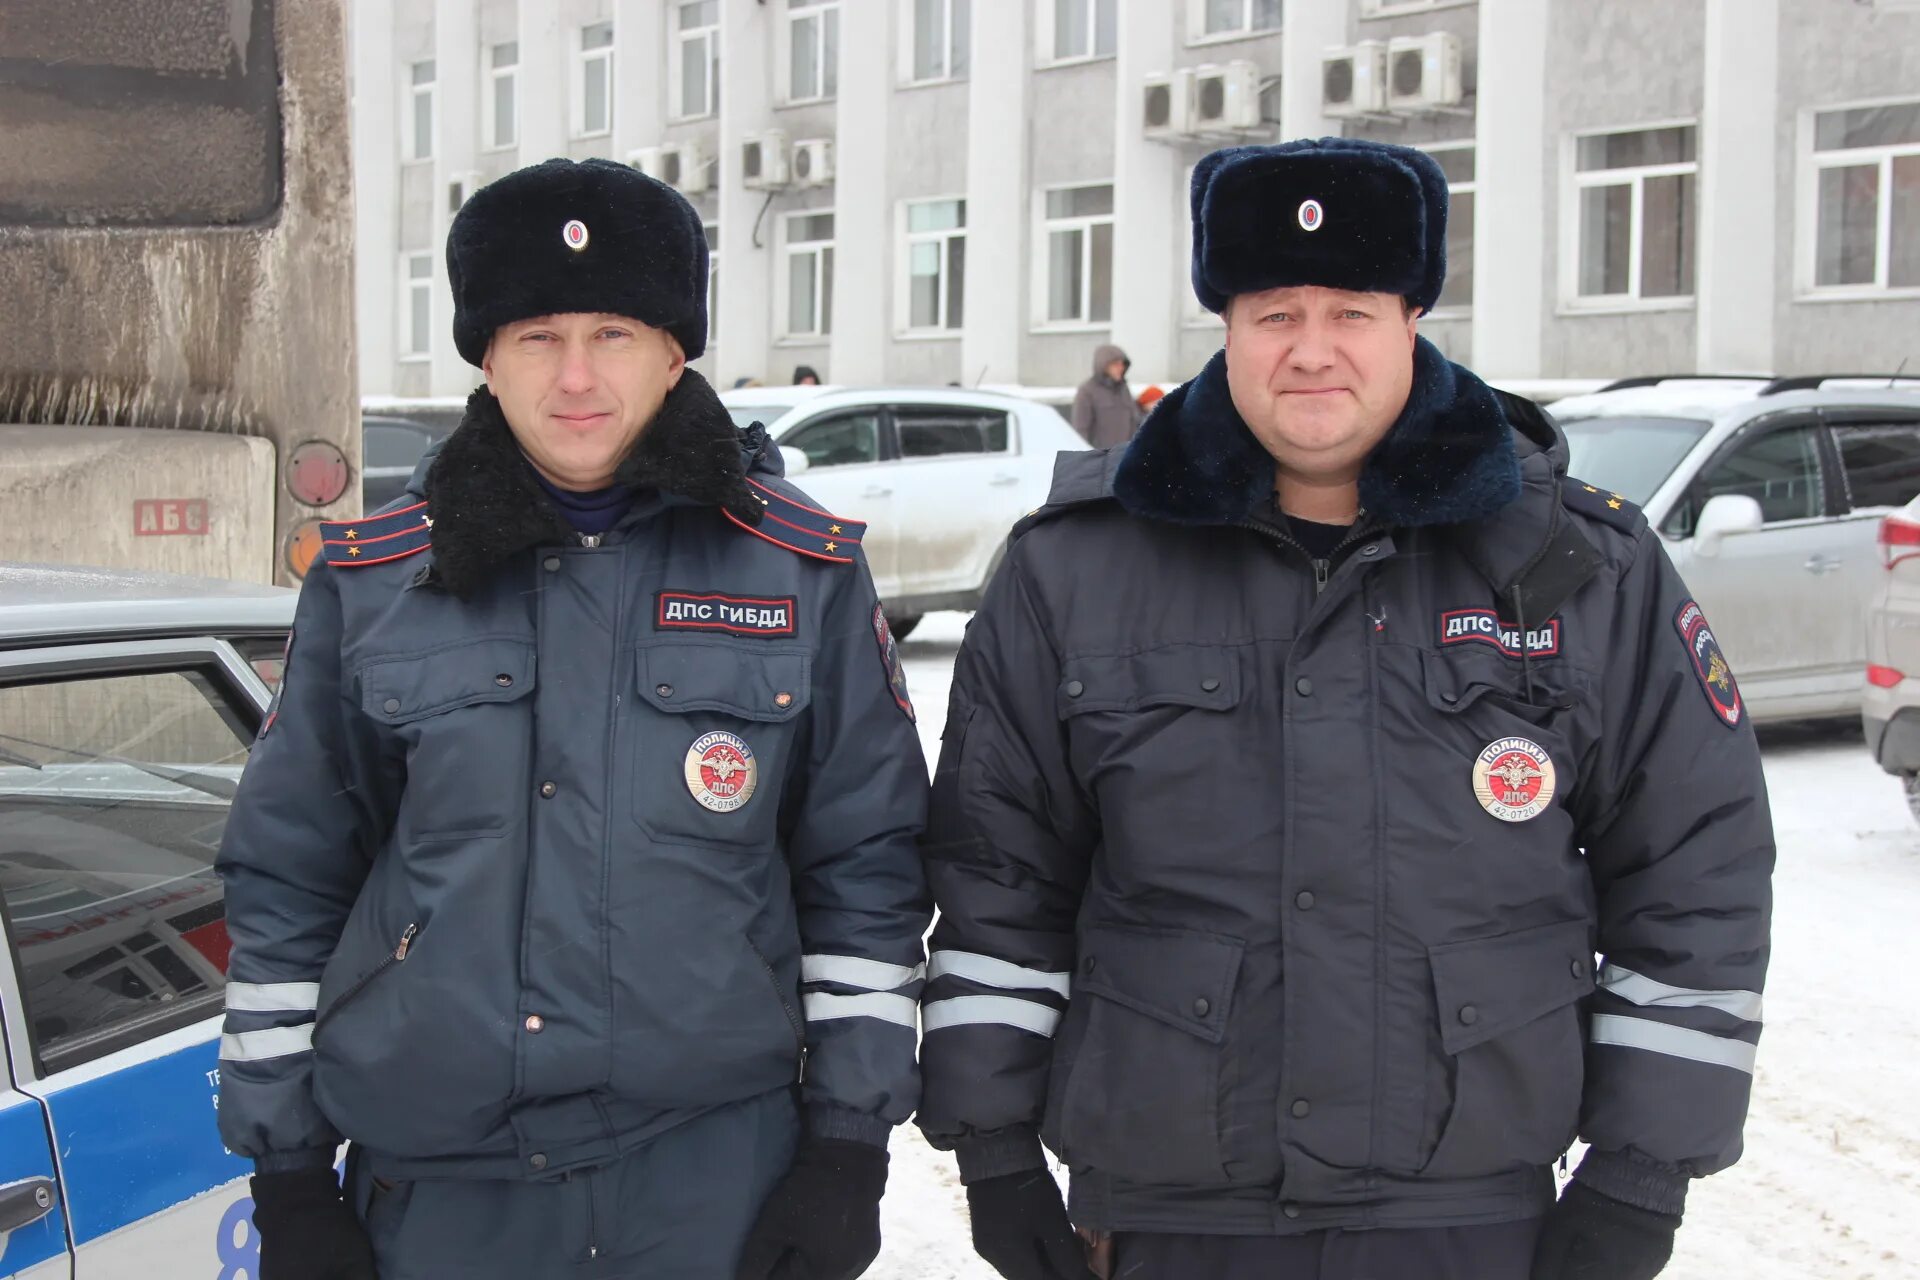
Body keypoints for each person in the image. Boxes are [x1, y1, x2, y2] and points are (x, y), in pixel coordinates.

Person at [915, 137, 1774, 1280]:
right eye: (1274, 312)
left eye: (1352, 310)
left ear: (1412, 313)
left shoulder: (1580, 564)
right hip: (1173, 1217)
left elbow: (1694, 868)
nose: (1311, 350)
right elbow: (998, 876)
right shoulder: (1074, 570)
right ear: (1225, 321)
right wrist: (995, 1151)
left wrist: (1639, 1174)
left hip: (1472, 1217)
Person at [216, 157, 930, 1280]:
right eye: (538, 336)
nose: (577, 376)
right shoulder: (371, 581)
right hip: (443, 1188)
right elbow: (289, 878)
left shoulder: (804, 573)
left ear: (675, 349)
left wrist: (847, 1148)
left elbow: (865, 872)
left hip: (714, 1176)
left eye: (614, 333)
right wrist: (290, 1173)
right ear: (487, 357)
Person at [1068, 344, 1145, 448]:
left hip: (1124, 456)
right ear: (1103, 366)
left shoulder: (1123, 389)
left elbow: (1134, 421)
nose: (1121, 368)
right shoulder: (1087, 391)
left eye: (1122, 364)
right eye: (1116, 364)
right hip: (1101, 459)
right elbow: (1081, 430)